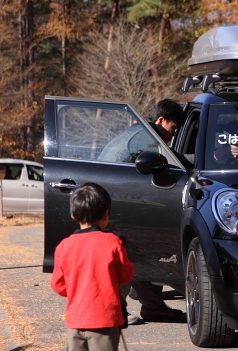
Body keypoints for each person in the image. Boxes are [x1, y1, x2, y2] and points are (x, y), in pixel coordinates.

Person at [51, 183, 134, 351]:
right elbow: (125, 276)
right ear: (106, 215)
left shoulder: (64, 246)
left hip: (75, 319)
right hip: (105, 320)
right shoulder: (113, 242)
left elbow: (58, 286)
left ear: (73, 215)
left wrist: (78, 287)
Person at [128, 99, 187, 321]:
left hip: (125, 200)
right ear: (160, 120)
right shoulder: (148, 140)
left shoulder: (138, 132)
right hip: (130, 202)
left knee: (137, 254)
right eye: (172, 129)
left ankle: (152, 306)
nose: (172, 135)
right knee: (150, 253)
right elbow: (168, 164)